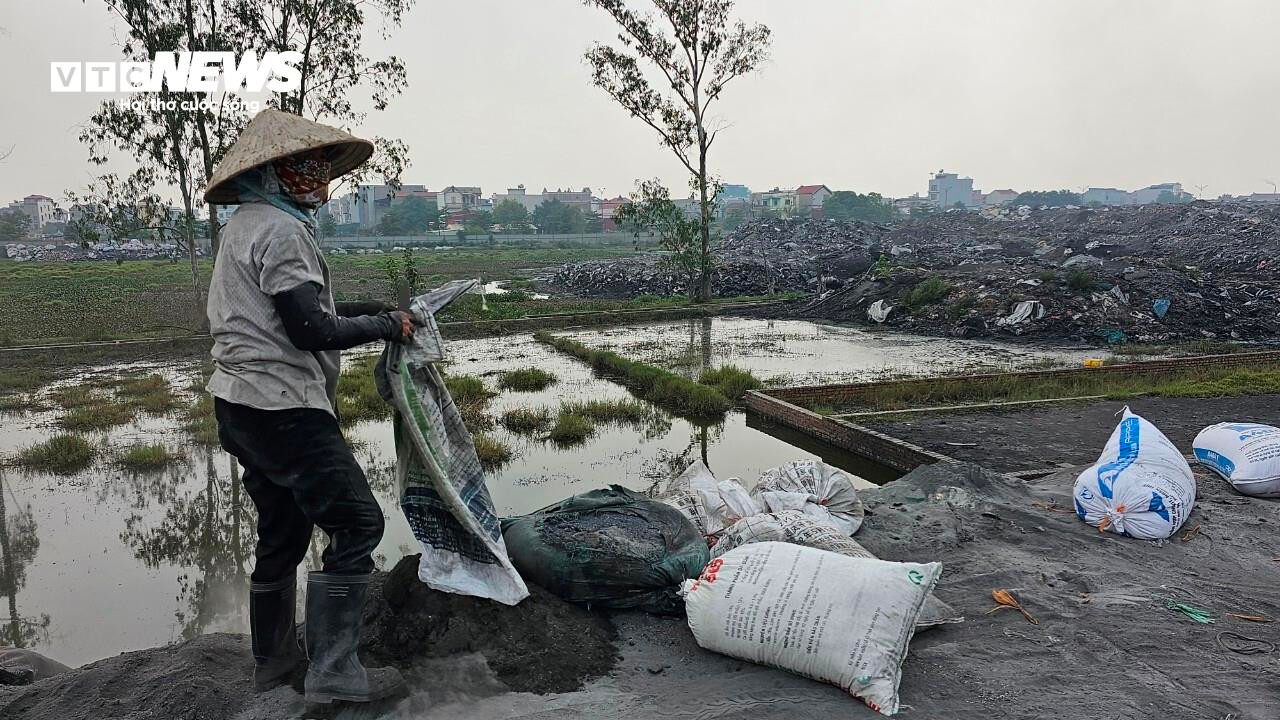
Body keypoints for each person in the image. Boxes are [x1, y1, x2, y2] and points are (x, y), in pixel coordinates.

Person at [203, 108, 409, 704]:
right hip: (283, 407)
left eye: (321, 168)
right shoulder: (284, 232)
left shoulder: (245, 224)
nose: (319, 179)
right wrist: (385, 325)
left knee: (284, 528)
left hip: (239, 405)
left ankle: (274, 664)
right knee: (358, 521)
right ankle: (335, 671)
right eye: (305, 168)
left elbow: (304, 308)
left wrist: (380, 313)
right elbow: (310, 329)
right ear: (274, 173)